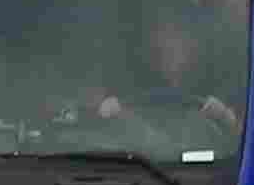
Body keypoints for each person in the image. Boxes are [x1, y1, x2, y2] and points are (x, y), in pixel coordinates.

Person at [94, 20, 240, 134]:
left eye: (179, 39)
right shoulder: (129, 87)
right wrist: (108, 111)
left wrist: (224, 116)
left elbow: (245, 139)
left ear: (193, 45)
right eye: (164, 38)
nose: (170, 47)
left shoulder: (215, 85)